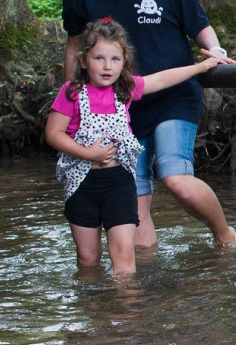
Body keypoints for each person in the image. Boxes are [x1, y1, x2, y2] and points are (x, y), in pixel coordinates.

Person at [62, 0, 236, 248]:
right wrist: (73, 95)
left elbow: (200, 26)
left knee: (176, 178)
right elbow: (74, 47)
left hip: (174, 94)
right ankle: (143, 295)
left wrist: (215, 51)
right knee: (135, 211)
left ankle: (224, 235)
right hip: (119, 107)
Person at [46, 19, 222, 277]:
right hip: (81, 185)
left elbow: (161, 78)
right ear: (83, 61)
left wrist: (199, 67)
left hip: (119, 183)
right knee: (88, 259)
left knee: (125, 256)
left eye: (115, 59)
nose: (107, 66)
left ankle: (126, 312)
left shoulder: (125, 89)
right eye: (99, 58)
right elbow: (53, 134)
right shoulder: (72, 92)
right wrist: (88, 154)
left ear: (124, 61)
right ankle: (94, 311)